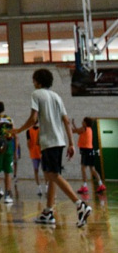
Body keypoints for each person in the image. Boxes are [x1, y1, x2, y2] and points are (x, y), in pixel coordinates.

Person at [14, 68, 91, 227]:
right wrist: (71, 143)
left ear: (38, 81)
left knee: (53, 175)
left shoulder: (36, 94)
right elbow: (66, 121)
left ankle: (80, 205)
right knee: (50, 175)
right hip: (59, 141)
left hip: (49, 141)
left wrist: (19, 130)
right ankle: (48, 212)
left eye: (34, 80)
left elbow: (33, 119)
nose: (33, 82)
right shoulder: (57, 97)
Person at [71, 117, 106, 194]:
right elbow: (78, 132)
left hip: (86, 151)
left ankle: (85, 186)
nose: (82, 122)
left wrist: (68, 125)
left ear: (86, 123)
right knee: (92, 169)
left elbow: (74, 131)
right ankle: (101, 184)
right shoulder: (89, 129)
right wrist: (73, 124)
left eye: (83, 121)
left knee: (83, 168)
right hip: (90, 150)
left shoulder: (84, 128)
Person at [0, 101, 16, 204]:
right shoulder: (10, 119)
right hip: (9, 146)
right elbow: (14, 134)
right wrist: (15, 149)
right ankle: (7, 195)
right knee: (7, 171)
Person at [26, 122, 44, 195]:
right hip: (35, 153)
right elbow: (28, 142)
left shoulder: (41, 130)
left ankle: (43, 187)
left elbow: (28, 143)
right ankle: (40, 187)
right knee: (38, 170)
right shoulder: (29, 131)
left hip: (41, 152)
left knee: (42, 170)